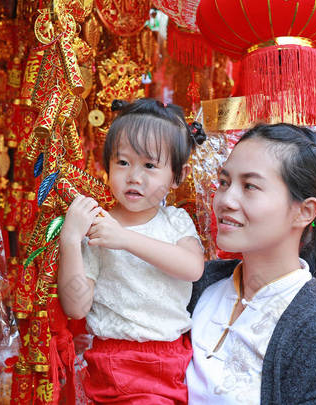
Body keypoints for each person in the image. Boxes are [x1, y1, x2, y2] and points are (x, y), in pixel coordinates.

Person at [186, 123, 316, 404]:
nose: (225, 200)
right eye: (224, 182)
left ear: (303, 211)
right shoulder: (198, 283)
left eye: (250, 186)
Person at [58, 98, 206, 404]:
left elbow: (193, 268)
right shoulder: (98, 227)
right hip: (113, 360)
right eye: (123, 162)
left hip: (170, 357)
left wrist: (125, 239)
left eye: (150, 166)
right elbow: (76, 307)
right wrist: (70, 241)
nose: (134, 176)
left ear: (177, 176)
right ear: (107, 166)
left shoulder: (175, 221)